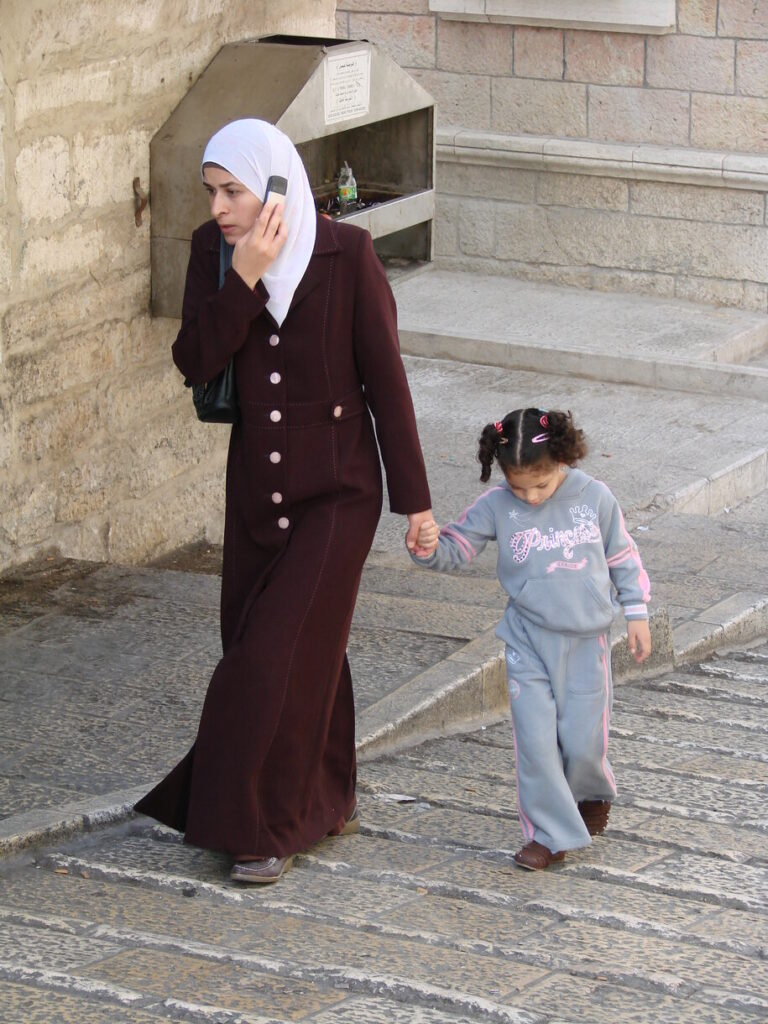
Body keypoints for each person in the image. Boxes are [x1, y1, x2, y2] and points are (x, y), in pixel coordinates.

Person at [135, 119, 434, 883]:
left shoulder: (348, 254)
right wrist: (244, 274)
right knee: (299, 653)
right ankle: (328, 801)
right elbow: (192, 358)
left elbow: (387, 386)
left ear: (273, 183)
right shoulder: (215, 253)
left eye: (233, 189)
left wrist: (417, 503)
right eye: (211, 191)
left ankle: (257, 826)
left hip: (339, 494)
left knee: (268, 662)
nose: (221, 207)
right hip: (254, 496)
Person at [410, 408, 651, 871]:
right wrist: (427, 546)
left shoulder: (595, 497)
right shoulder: (497, 506)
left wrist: (636, 613)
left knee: (583, 742)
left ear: (562, 459)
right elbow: (456, 547)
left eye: (540, 485)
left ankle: (590, 792)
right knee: (537, 742)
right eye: (519, 487)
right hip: (527, 642)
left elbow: (622, 556)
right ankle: (549, 834)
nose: (531, 496)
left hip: (586, 644)